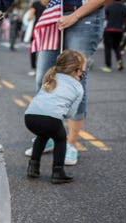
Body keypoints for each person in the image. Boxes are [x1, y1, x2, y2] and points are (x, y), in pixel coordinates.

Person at [26, 0, 106, 166]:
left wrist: (75, 16)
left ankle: (71, 142)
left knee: (74, 81)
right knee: (44, 78)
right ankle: (47, 135)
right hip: (54, 13)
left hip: (85, 16)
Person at [25, 49, 86, 184]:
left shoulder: (51, 77)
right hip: (50, 119)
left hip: (30, 117)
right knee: (61, 139)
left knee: (42, 135)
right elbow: (70, 114)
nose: (82, 75)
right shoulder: (78, 87)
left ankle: (33, 167)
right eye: (82, 71)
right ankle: (58, 172)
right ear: (75, 71)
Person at [101, 0, 126, 72]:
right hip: (119, 30)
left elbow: (104, 18)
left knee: (108, 48)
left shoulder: (109, 6)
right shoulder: (125, 7)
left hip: (109, 29)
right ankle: (119, 61)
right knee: (117, 46)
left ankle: (108, 66)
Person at [25, 0, 49, 75]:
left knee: (33, 50)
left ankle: (33, 68)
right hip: (48, 29)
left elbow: (30, 17)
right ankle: (45, 69)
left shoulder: (36, 4)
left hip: (37, 29)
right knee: (46, 50)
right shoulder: (52, 3)